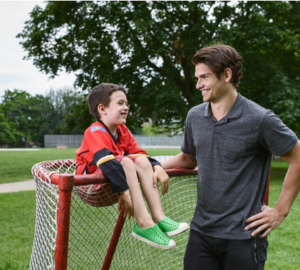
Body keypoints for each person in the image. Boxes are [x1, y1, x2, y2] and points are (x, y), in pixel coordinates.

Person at [162, 44, 300, 269]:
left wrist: (280, 211)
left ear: (226, 75)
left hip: (244, 236)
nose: (198, 85)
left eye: (204, 77)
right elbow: (189, 157)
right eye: (197, 78)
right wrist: (154, 167)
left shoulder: (261, 119)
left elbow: (298, 157)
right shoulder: (194, 116)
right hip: (201, 233)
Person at [75, 83, 189, 250]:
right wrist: (124, 191)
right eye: (120, 103)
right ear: (102, 109)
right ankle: (143, 223)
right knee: (125, 161)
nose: (126, 107)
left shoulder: (122, 130)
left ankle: (159, 217)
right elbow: (107, 162)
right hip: (93, 187)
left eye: (126, 103)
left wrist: (157, 166)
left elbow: (139, 154)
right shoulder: (94, 132)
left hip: (115, 183)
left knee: (140, 161)